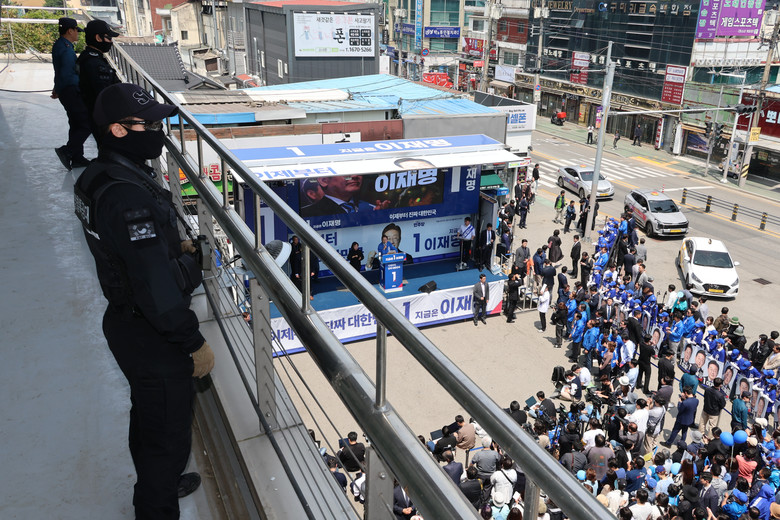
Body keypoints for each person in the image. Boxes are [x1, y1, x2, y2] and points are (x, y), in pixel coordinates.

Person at [73, 83, 214, 518]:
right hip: (154, 334)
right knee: (165, 437)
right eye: (148, 125)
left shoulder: (99, 175)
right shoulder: (128, 197)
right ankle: (156, 502)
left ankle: (162, 482)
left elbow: (129, 254)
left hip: (127, 323)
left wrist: (173, 248)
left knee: (150, 419)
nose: (157, 132)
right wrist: (192, 342)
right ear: (117, 129)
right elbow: (155, 287)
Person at [52, 17, 91, 170]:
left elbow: (59, 71)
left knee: (75, 123)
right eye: (76, 31)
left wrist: (57, 88)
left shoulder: (60, 45)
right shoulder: (67, 50)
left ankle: (77, 157)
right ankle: (68, 151)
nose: (77, 34)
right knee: (86, 123)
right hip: (71, 91)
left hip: (65, 90)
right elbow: (68, 74)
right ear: (70, 31)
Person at [77, 19, 120, 142]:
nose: (111, 41)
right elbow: (103, 94)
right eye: (108, 38)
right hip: (101, 115)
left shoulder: (88, 56)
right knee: (109, 145)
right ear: (98, 38)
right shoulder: (94, 63)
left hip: (94, 113)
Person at [301, 175, 379, 216]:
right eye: (346, 172)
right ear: (324, 180)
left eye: (358, 170)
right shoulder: (306, 213)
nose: (355, 175)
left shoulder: (371, 208)